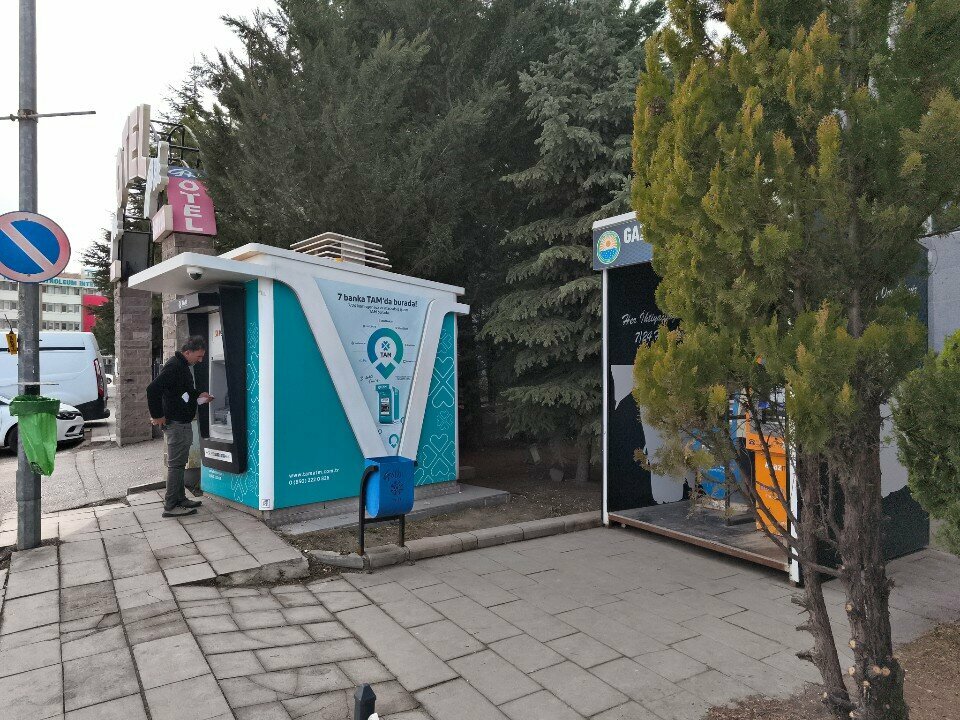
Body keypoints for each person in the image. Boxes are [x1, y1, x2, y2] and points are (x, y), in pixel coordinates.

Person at [147, 336, 213, 517]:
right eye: (198, 356)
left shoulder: (182, 366)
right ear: (188, 352)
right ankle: (170, 506)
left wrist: (199, 395)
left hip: (181, 423)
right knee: (176, 465)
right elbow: (152, 389)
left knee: (180, 464)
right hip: (176, 424)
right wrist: (157, 415)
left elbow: (182, 391)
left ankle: (180, 498)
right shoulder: (175, 366)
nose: (200, 360)